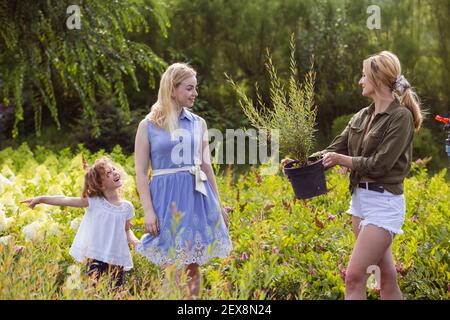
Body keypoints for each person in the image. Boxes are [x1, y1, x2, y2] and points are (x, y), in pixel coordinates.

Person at [298, 51, 421, 299]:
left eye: (364, 75)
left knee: (354, 277)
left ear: (377, 79)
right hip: (360, 203)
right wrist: (300, 162)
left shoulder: (401, 117)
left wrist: (345, 161)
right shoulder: (361, 116)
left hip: (384, 203)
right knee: (386, 277)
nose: (360, 81)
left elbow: (380, 165)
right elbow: (333, 150)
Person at [134, 62, 232, 298]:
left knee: (192, 262)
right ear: (172, 89)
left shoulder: (198, 123)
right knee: (170, 263)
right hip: (165, 199)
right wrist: (148, 210)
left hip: (195, 196)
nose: (195, 93)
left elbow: (207, 167)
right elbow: (140, 171)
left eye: (195, 88)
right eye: (189, 88)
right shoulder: (147, 125)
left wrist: (218, 203)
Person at [21, 156, 139, 289]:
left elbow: (126, 230)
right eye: (109, 173)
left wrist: (135, 242)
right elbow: (65, 199)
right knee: (93, 291)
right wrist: (40, 198)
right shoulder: (94, 201)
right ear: (100, 183)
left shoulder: (127, 207)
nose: (115, 172)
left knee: (116, 292)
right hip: (95, 256)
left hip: (117, 258)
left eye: (113, 169)